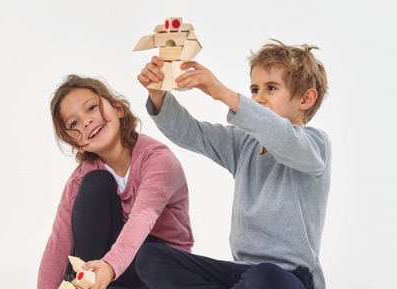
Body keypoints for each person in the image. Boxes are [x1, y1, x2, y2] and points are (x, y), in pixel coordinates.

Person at [135, 39, 331, 289]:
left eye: (271, 88)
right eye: (254, 89)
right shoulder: (243, 144)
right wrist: (158, 92)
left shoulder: (316, 146)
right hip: (240, 272)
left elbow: (284, 138)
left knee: (265, 277)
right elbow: (193, 133)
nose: (258, 98)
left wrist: (223, 93)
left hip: (289, 277)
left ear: (306, 99)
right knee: (150, 257)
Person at [37, 75, 194, 289]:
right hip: (111, 270)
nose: (86, 121)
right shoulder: (81, 179)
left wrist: (109, 267)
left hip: (160, 265)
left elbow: (142, 218)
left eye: (91, 108)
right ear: (77, 144)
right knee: (95, 183)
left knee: (147, 255)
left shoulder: (158, 160)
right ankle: (91, 285)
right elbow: (59, 242)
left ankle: (98, 281)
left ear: (118, 109)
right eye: (74, 123)